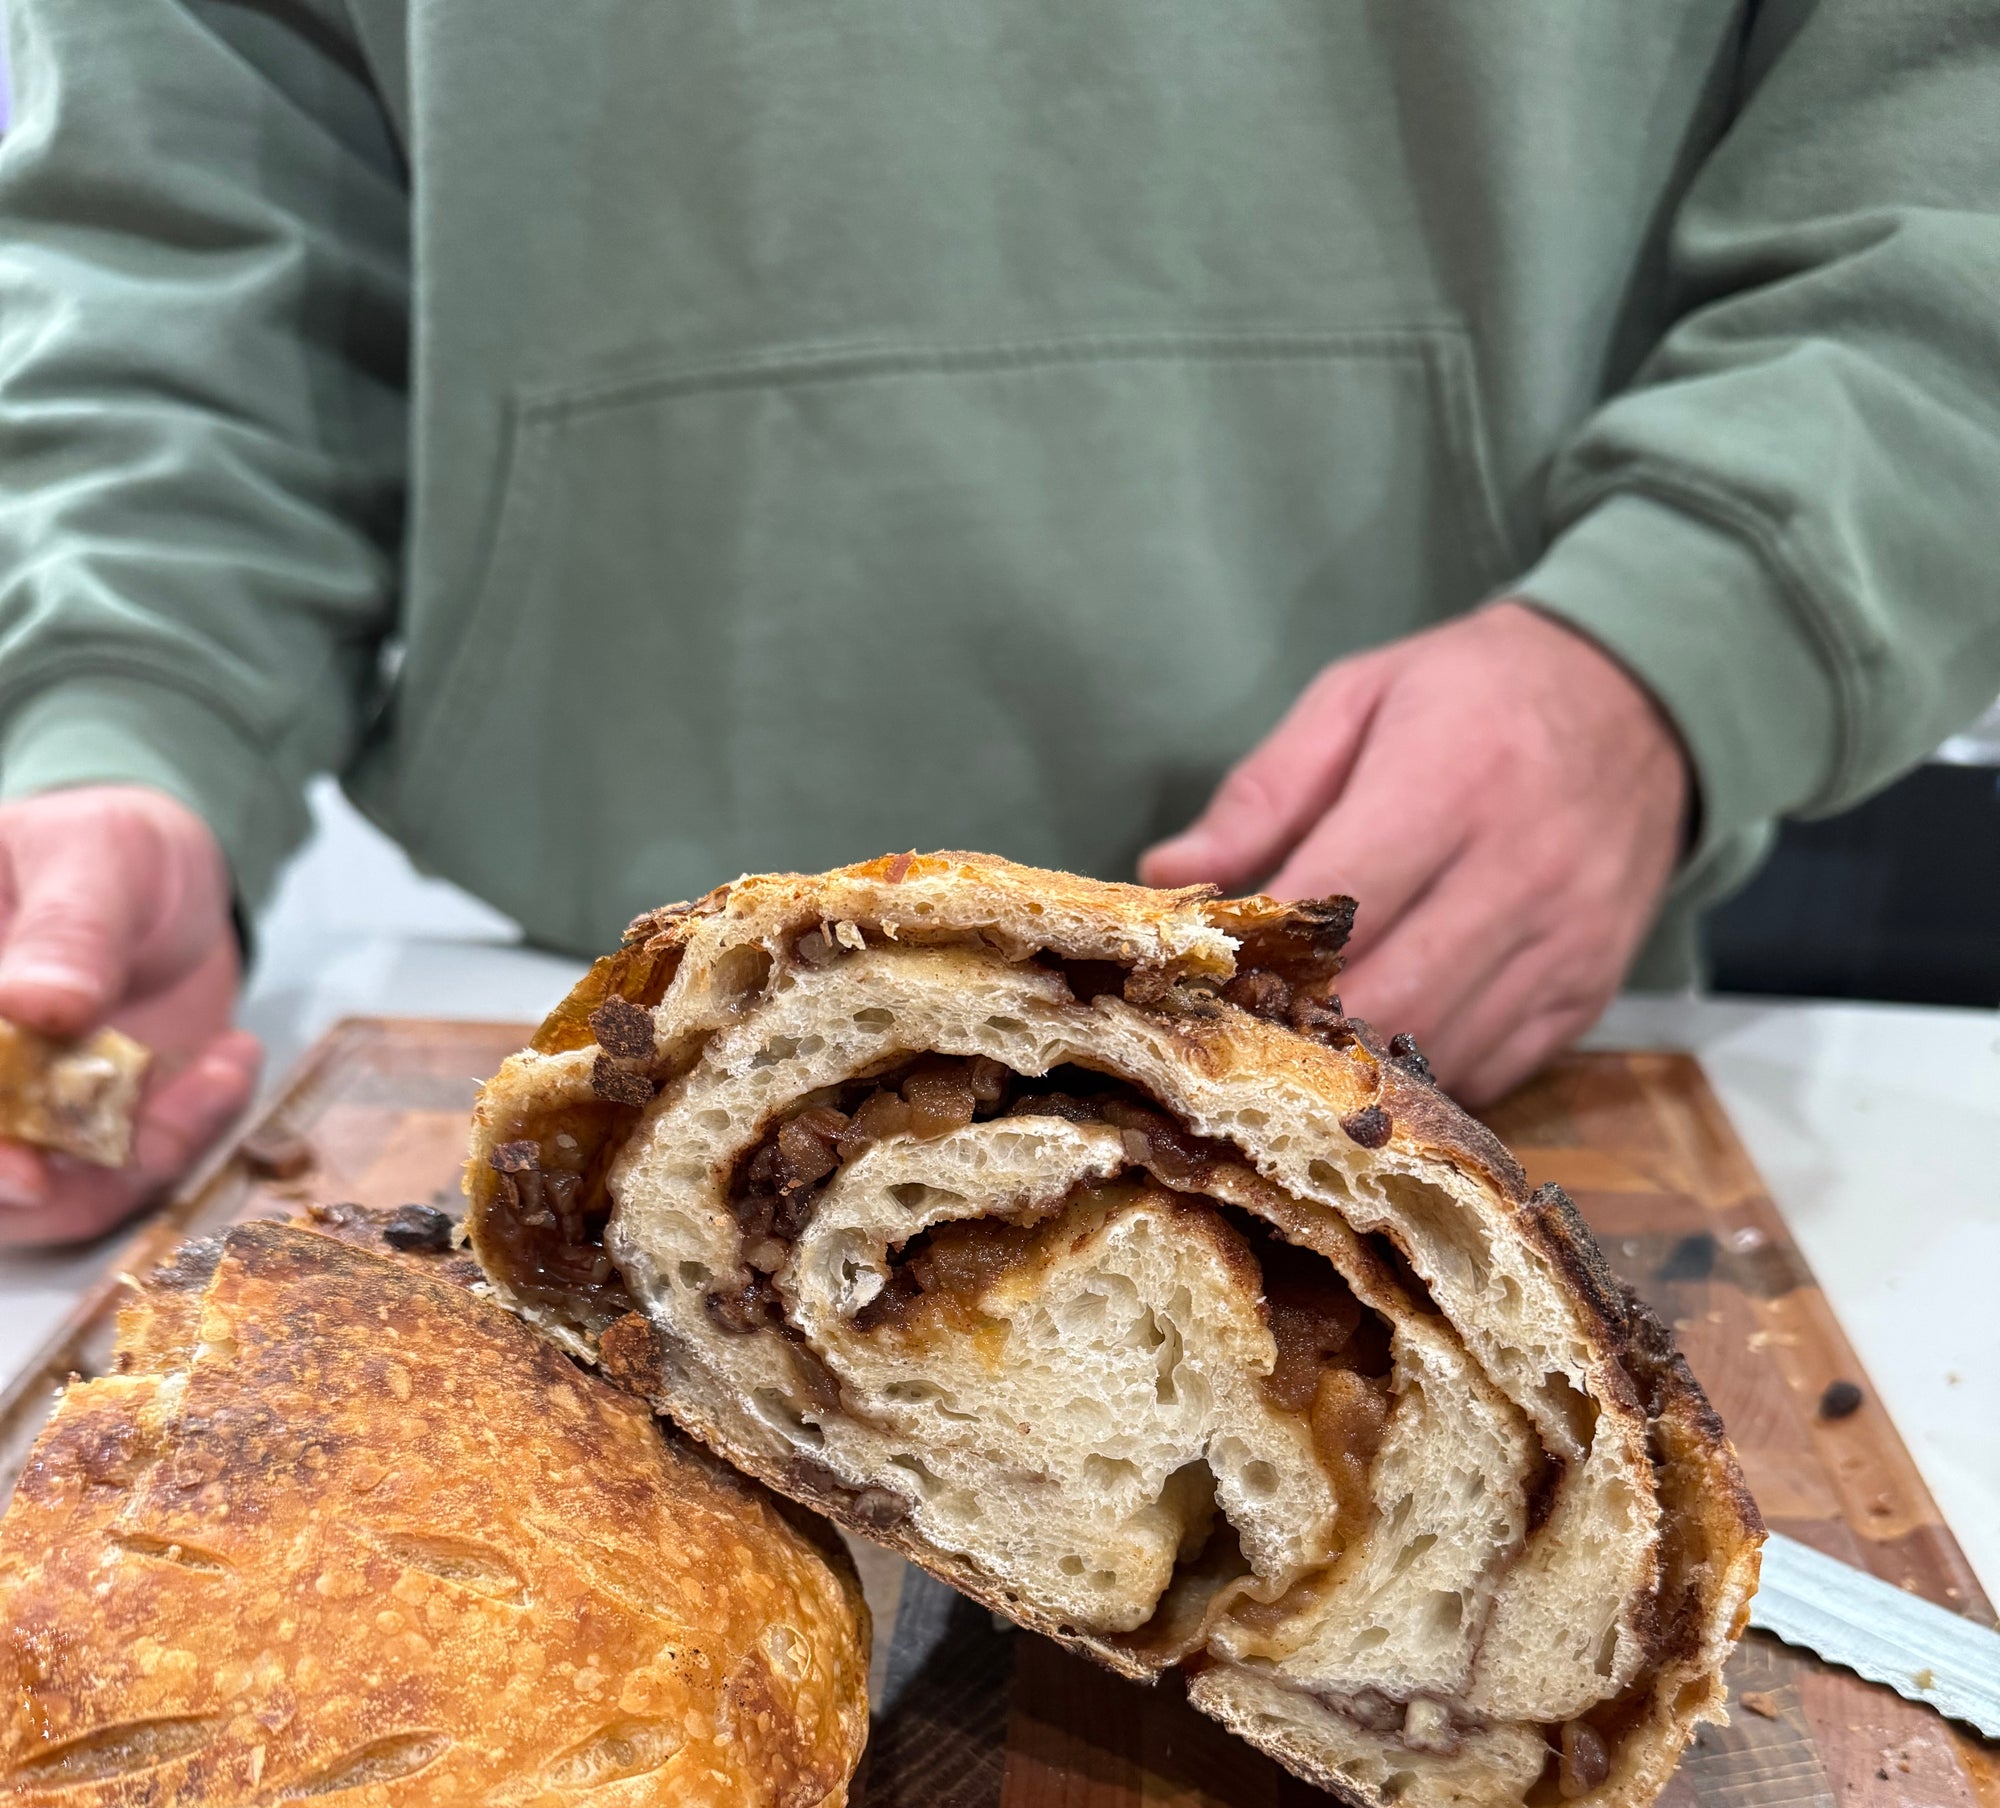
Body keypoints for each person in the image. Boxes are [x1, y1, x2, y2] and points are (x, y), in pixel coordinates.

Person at [1, 3, 1997, 1244]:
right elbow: (187, 169)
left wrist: (1668, 640)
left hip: (1455, 1038)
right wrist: (124, 711)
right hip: (540, 1038)